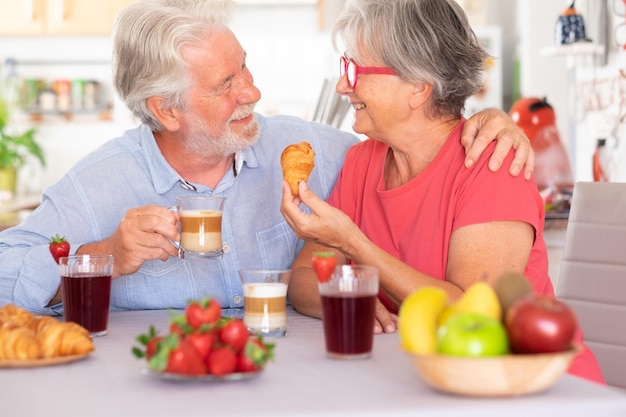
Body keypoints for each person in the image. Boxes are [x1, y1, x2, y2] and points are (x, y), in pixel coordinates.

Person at [0, 0, 531, 317]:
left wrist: (492, 117)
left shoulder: (318, 152)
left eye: (245, 69)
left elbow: (429, 133)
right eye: (226, 84)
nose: (252, 93)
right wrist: (102, 257)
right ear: (167, 110)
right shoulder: (99, 185)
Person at [280, 0, 604, 384]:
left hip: (531, 389)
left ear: (418, 86)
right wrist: (352, 305)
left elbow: (470, 313)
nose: (342, 84)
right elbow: (300, 278)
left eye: (355, 69)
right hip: (417, 379)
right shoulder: (362, 161)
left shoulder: (492, 163)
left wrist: (353, 244)